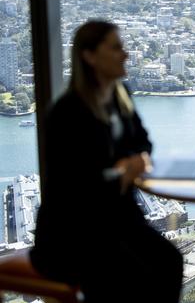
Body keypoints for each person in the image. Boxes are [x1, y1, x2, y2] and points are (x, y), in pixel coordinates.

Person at [30, 21, 183, 303]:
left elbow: (143, 141)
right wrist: (121, 171)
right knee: (131, 278)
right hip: (75, 234)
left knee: (170, 261)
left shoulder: (120, 96)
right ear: (89, 56)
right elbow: (72, 185)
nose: (125, 54)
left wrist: (139, 158)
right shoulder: (67, 114)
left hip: (117, 222)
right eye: (116, 48)